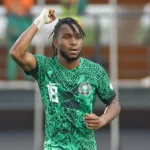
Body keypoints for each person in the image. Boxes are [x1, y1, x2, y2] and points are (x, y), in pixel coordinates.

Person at [9, 8, 121, 150]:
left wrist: (102, 120)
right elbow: (16, 53)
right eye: (67, 37)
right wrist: (40, 21)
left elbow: (114, 103)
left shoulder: (95, 71)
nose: (74, 42)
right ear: (56, 42)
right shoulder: (44, 67)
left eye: (78, 37)